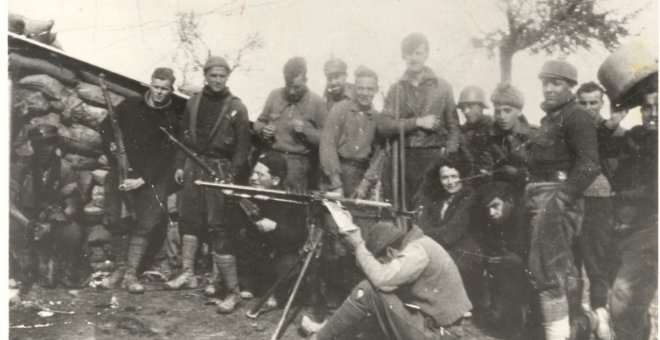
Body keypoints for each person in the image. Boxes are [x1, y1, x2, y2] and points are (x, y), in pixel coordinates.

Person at [165, 56, 251, 315]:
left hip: (219, 169)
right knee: (189, 218)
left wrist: (231, 176)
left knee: (218, 226)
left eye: (221, 76)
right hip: (193, 167)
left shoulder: (237, 107)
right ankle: (188, 273)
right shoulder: (193, 102)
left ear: (227, 78)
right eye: (213, 75)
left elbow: (242, 147)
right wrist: (181, 164)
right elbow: (184, 138)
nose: (217, 80)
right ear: (205, 76)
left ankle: (227, 287)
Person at [525, 60, 600, 340]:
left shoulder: (576, 116)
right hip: (540, 196)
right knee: (558, 269)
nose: (549, 88)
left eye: (556, 83)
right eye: (545, 82)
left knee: (547, 272)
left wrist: (560, 201)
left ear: (570, 87)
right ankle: (583, 324)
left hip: (556, 198)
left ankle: (559, 335)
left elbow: (590, 165)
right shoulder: (550, 119)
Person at [304, 219, 472, 340]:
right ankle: (326, 331)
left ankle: (320, 337)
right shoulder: (419, 244)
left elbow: (381, 280)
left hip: (441, 334)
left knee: (368, 290)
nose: (383, 265)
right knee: (375, 300)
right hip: (439, 327)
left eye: (382, 261)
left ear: (391, 251)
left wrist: (359, 246)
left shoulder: (416, 252)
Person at [98, 67, 180, 294]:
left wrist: (142, 180)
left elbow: (166, 156)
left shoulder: (171, 118)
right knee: (116, 219)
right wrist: (111, 145)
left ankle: (131, 274)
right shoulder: (130, 105)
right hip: (122, 170)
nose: (159, 92)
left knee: (144, 224)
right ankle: (119, 269)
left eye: (165, 89)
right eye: (156, 87)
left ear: (171, 90)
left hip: (151, 177)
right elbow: (105, 127)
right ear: (150, 85)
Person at [598, 42, 658, 340]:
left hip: (648, 232)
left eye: (659, 106)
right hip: (621, 227)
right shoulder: (635, 138)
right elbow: (605, 158)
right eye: (647, 106)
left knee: (622, 299)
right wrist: (611, 123)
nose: (653, 113)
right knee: (627, 303)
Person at [318, 65, 384, 308]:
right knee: (335, 236)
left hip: (361, 177)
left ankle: (354, 298)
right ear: (354, 88)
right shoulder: (340, 110)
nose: (365, 93)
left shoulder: (377, 118)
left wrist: (366, 182)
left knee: (359, 238)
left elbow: (381, 153)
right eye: (361, 88)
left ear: (376, 90)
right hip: (336, 172)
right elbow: (327, 145)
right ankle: (332, 299)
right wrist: (335, 183)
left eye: (370, 89)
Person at [376, 33, 461, 210]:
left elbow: (454, 129)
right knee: (401, 210)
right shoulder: (396, 89)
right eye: (409, 54)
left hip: (432, 158)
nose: (413, 58)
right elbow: (383, 126)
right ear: (403, 56)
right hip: (402, 159)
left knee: (429, 209)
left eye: (418, 53)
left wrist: (447, 160)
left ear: (426, 54)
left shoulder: (442, 87)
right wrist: (417, 122)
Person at [10, 124, 84, 289]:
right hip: (25, 219)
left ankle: (61, 267)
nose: (45, 149)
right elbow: (8, 203)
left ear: (56, 145)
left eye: (49, 143)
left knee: (73, 231)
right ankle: (22, 269)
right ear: (33, 146)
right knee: (8, 227)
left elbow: (72, 207)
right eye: (40, 144)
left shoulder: (65, 170)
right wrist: (27, 224)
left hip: (51, 220)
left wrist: (49, 226)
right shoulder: (21, 167)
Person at [575, 81, 623, 338]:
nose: (589, 108)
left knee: (599, 262)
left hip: (603, 203)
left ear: (602, 103)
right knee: (574, 262)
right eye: (583, 103)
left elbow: (618, 173)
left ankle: (602, 316)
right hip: (575, 202)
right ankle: (581, 318)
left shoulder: (616, 132)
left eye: (594, 102)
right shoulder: (571, 131)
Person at [231, 151, 307, 310]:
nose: (253, 178)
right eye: (253, 173)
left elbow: (300, 236)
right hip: (259, 255)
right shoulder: (250, 195)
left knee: (289, 264)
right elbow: (233, 223)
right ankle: (250, 284)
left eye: (260, 175)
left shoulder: (291, 200)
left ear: (275, 180)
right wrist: (230, 199)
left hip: (281, 255)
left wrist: (276, 227)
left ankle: (277, 293)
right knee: (242, 236)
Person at [414, 154, 486, 313]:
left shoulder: (470, 198)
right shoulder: (438, 198)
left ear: (463, 176)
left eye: (454, 176)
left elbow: (451, 233)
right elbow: (422, 224)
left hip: (465, 253)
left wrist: (426, 237)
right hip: (441, 248)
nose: (450, 182)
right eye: (445, 177)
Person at [254, 57, 328, 192]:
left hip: (297, 166)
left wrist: (305, 130)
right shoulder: (275, 95)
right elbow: (260, 121)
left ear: (306, 80)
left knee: (293, 208)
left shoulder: (317, 102)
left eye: (297, 87)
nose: (292, 91)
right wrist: (263, 129)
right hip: (272, 160)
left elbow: (326, 139)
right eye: (288, 85)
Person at [477, 181, 533, 338]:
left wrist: (520, 261)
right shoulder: (493, 222)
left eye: (495, 206)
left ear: (510, 201)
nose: (491, 213)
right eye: (488, 208)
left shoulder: (527, 220)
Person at [487, 83, 537, 197]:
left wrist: (519, 174)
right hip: (500, 197)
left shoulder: (534, 136)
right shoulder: (490, 137)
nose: (502, 117)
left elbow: (544, 173)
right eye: (498, 111)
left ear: (519, 111)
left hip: (528, 196)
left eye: (507, 111)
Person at [458, 85, 493, 176]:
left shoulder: (494, 127)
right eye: (463, 107)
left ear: (481, 106)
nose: (465, 111)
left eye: (470, 106)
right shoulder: (462, 132)